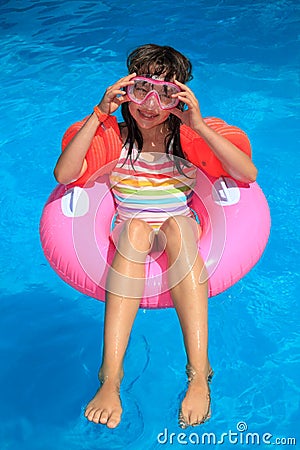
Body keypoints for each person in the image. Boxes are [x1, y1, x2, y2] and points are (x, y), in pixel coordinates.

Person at [54, 44, 257, 429]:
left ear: (179, 96)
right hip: (131, 224)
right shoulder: (114, 136)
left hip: (180, 220)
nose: (149, 104)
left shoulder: (187, 137)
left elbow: (247, 173)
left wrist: (196, 124)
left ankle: (199, 375)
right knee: (133, 231)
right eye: (141, 89)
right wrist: (99, 114)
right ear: (125, 89)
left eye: (164, 93)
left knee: (179, 227)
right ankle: (110, 378)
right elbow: (65, 175)